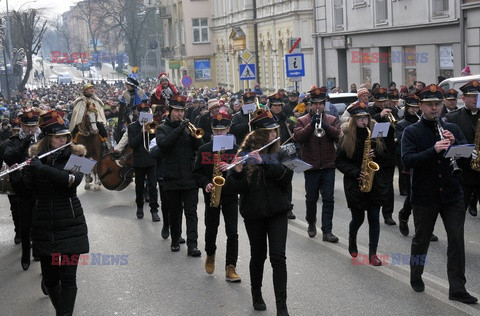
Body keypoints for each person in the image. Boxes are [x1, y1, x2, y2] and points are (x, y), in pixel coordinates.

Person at [402, 84, 477, 304]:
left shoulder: (451, 127)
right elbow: (407, 160)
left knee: (456, 241)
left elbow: (468, 151)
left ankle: (457, 288)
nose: (435, 109)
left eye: (437, 104)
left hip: (453, 194)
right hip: (425, 195)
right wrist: (433, 150)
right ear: (421, 107)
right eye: (430, 105)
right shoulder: (412, 131)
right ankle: (416, 274)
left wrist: (456, 145)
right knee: (421, 240)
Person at [227, 109, 293, 315]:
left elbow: (285, 176)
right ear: (259, 134)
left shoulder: (281, 152)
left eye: (275, 130)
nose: (275, 134)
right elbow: (235, 189)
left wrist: (264, 163)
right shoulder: (243, 154)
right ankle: (256, 294)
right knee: (258, 256)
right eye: (270, 131)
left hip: (278, 211)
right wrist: (236, 173)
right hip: (254, 212)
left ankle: (282, 306)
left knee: (278, 257)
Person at [24, 109, 89, 314]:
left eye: (65, 137)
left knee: (68, 278)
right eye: (57, 137)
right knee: (51, 280)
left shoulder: (79, 155)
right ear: (47, 138)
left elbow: (71, 181)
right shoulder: (37, 159)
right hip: (44, 225)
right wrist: (22, 173)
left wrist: (42, 170)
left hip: (71, 224)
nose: (63, 141)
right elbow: (28, 192)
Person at [336, 101, 388, 265]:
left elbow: (387, 154)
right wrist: (356, 172)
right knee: (358, 219)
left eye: (365, 118)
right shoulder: (346, 138)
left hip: (374, 182)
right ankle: (352, 239)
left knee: (374, 218)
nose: (364, 122)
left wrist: (377, 152)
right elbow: (339, 162)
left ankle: (373, 254)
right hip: (355, 184)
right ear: (353, 121)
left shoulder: (375, 132)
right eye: (360, 119)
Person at [193, 112, 241, 281]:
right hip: (211, 194)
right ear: (212, 131)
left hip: (230, 195)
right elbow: (197, 173)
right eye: (216, 131)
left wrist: (232, 166)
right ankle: (211, 254)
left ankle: (230, 267)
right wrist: (205, 183)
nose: (219, 134)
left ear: (228, 130)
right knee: (211, 229)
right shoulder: (204, 149)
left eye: (222, 131)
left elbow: (243, 175)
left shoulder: (236, 151)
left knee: (232, 232)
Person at [156, 95, 203, 256]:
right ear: (170, 112)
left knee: (191, 213)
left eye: (182, 111)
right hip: (171, 177)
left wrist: (194, 136)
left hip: (190, 177)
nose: (180, 114)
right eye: (177, 111)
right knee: (174, 213)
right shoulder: (162, 129)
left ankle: (192, 245)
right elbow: (163, 145)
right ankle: (175, 239)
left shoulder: (189, 129)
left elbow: (200, 148)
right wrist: (179, 129)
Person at [293, 87, 340, 242]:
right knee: (311, 199)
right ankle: (311, 222)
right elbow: (298, 138)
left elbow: (338, 136)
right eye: (315, 104)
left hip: (328, 165)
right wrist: (311, 125)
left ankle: (327, 231)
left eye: (321, 103)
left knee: (328, 199)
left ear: (324, 104)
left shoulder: (332, 120)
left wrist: (325, 126)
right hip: (311, 166)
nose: (318, 106)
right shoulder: (302, 120)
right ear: (310, 105)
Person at [396, 94, 440, 241]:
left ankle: (428, 229)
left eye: (416, 107)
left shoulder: (429, 121)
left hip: (429, 163)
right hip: (411, 165)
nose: (414, 110)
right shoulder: (402, 124)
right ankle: (404, 215)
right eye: (412, 107)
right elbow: (403, 145)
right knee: (413, 196)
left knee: (430, 197)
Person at [4, 109, 42, 270]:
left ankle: (38, 252)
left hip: (41, 184)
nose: (30, 130)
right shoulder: (13, 140)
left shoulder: (43, 138)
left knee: (40, 223)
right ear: (22, 125)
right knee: (25, 223)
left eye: (33, 127)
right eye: (27, 127)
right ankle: (26, 253)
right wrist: (25, 142)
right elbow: (9, 157)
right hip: (23, 186)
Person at [445, 80, 480, 217]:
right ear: (463, 98)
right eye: (472, 96)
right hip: (463, 173)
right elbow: (448, 146)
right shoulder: (452, 118)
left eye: (478, 96)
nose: (476, 99)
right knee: (458, 213)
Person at [366, 87, 398, 225]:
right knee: (377, 186)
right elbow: (367, 125)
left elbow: (398, 125)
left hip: (389, 154)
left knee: (389, 186)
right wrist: (379, 116)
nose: (383, 103)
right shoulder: (370, 112)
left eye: (385, 100)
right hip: (375, 155)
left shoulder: (393, 111)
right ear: (374, 100)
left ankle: (388, 214)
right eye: (380, 101)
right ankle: (374, 212)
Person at [127, 102, 160, 221]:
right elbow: (132, 144)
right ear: (137, 113)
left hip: (151, 160)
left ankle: (154, 210)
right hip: (139, 161)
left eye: (147, 112)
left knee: (152, 186)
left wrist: (150, 130)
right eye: (142, 112)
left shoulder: (152, 125)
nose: (145, 114)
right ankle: (139, 207)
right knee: (139, 186)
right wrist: (142, 132)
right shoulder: (132, 127)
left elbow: (155, 141)